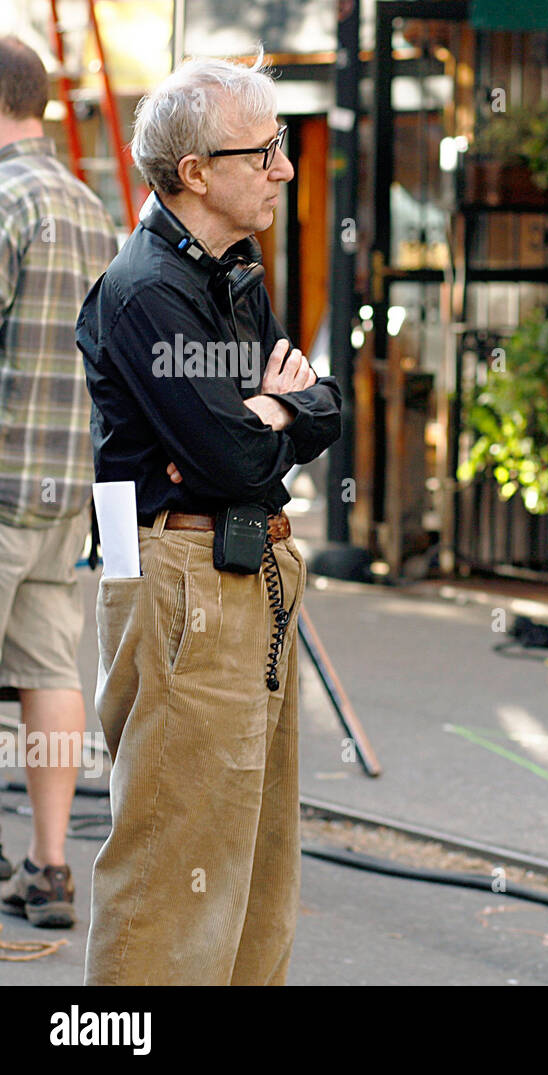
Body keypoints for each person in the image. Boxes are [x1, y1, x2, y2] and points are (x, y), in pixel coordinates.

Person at [77, 56, 340, 984]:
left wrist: (271, 413)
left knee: (253, 857)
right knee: (172, 867)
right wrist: (271, 415)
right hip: (187, 571)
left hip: (239, 569)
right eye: (265, 149)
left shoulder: (228, 272)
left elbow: (321, 404)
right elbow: (229, 457)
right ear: (196, 172)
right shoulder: (146, 288)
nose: (286, 167)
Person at [0, 36, 117, 929]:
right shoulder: (88, 206)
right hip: (66, 493)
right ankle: (48, 864)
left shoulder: (2, 202)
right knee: (50, 671)